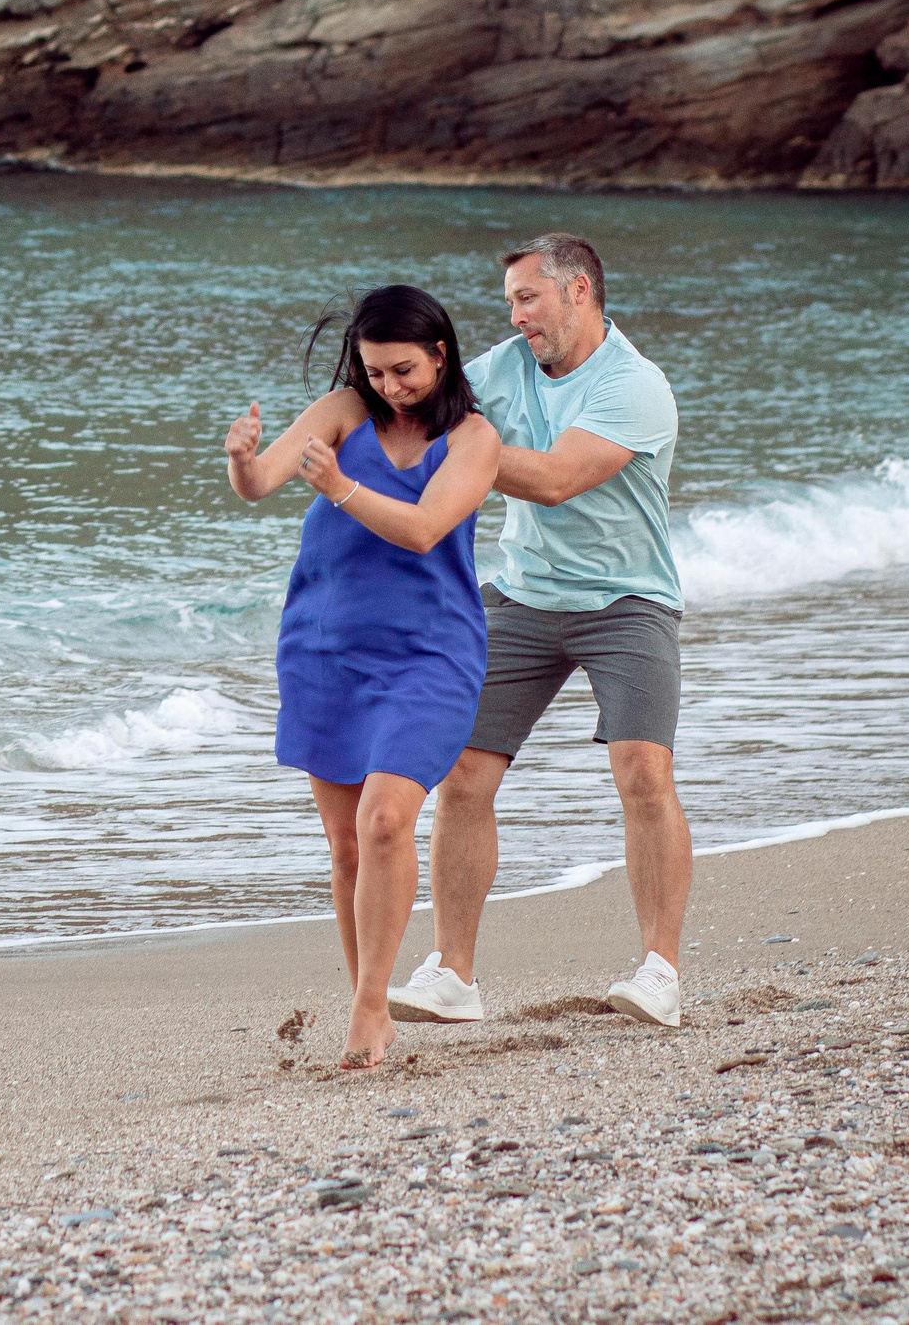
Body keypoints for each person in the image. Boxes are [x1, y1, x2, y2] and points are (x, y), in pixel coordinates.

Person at [384, 233, 693, 1029]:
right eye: (511, 302)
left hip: (628, 599)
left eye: (530, 298)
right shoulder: (505, 367)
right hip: (523, 595)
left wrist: (464, 444)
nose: (518, 316)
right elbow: (420, 404)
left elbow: (555, 479)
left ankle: (660, 970)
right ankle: (453, 973)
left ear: (580, 290)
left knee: (642, 773)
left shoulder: (636, 386)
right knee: (464, 776)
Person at [224, 285, 501, 1070]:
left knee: (387, 821)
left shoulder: (475, 439)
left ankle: (371, 1003)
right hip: (326, 649)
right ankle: (366, 1003)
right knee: (347, 847)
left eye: (404, 370)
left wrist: (342, 488)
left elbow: (421, 530)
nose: (389, 386)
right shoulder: (343, 410)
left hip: (430, 654)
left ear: (440, 354)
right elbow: (263, 481)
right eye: (375, 371)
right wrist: (243, 460)